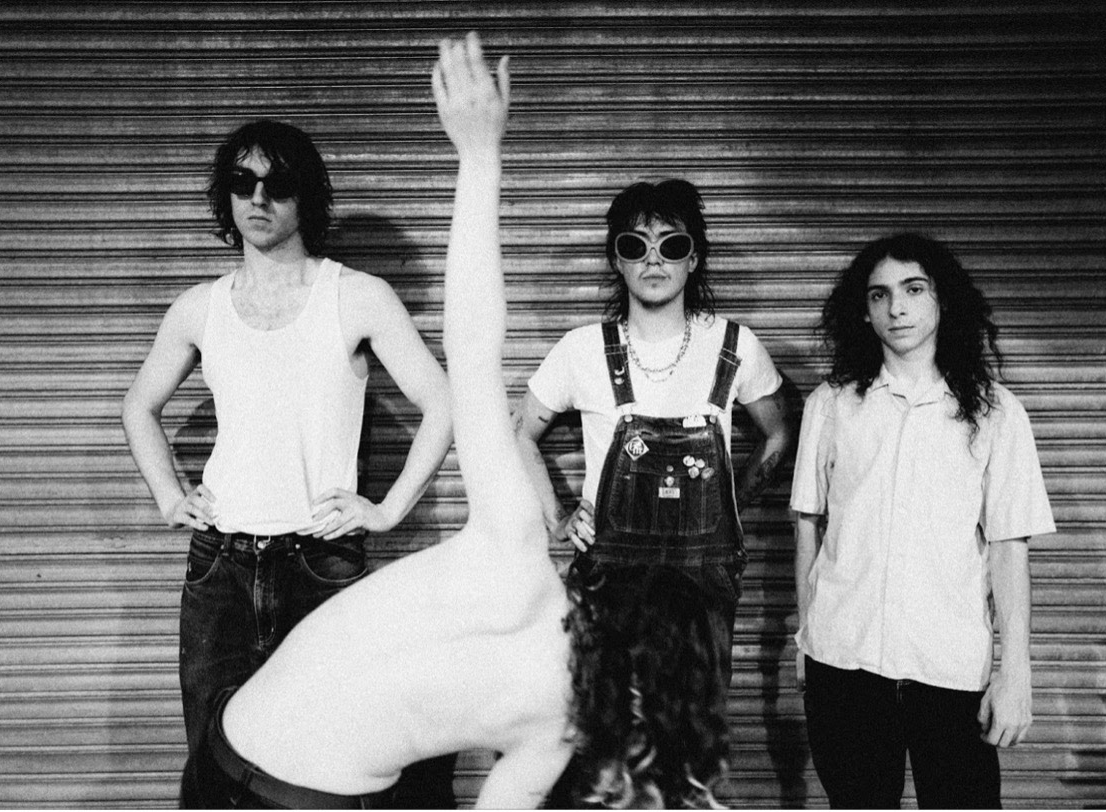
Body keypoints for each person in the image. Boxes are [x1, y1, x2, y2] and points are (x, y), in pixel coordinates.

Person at [177, 33, 731, 810]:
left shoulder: (515, 551)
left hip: (227, 752)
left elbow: (473, 346)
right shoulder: (559, 729)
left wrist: (480, 157)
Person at [121, 110, 457, 801]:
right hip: (220, 567)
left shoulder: (356, 296)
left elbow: (445, 403)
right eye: (242, 183)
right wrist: (169, 497)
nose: (258, 199)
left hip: (318, 566)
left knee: (326, 769)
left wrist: (387, 510)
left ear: (306, 197)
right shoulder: (199, 307)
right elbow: (138, 407)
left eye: (277, 185)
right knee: (215, 769)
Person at [790, 233, 1056, 809]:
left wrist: (1016, 673)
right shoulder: (830, 405)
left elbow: (1010, 548)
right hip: (843, 663)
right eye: (879, 295)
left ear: (943, 300)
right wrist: (807, 639)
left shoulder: (996, 413)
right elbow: (807, 525)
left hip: (949, 669)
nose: (897, 308)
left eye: (913, 289)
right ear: (863, 311)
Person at [514, 178, 797, 686]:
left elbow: (779, 433)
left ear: (693, 259)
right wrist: (557, 517)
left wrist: (731, 502)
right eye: (635, 245)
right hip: (607, 582)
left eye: (672, 245)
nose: (653, 259)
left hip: (703, 585)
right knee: (604, 722)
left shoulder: (735, 346)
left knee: (694, 727)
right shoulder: (581, 350)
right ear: (617, 260)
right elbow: (520, 433)